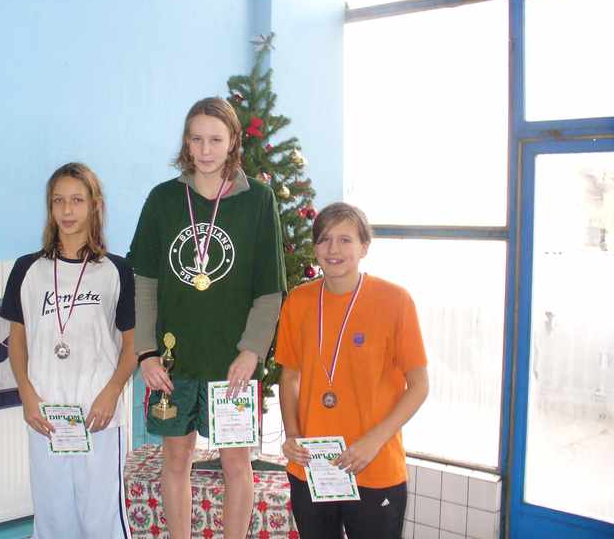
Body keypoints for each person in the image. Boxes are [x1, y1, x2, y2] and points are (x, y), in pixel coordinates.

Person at [128, 97, 286, 539]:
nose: (205, 149)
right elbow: (145, 283)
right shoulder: (163, 199)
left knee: (236, 463)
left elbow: (269, 291)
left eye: (215, 139)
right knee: (175, 460)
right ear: (186, 142)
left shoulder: (258, 201)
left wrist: (251, 352)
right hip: (173, 363)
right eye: (196, 139)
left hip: (231, 364)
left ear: (233, 140)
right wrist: (147, 353)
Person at [275, 202, 429, 539]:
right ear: (314, 247)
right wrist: (292, 433)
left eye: (345, 240)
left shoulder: (395, 301)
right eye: (324, 239)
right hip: (312, 467)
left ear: (364, 247)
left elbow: (419, 385)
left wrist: (374, 441)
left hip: (374, 466)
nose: (333, 249)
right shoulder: (298, 302)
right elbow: (289, 377)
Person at [0, 162, 136, 538]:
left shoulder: (117, 270)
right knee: (53, 519)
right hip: (45, 415)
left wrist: (111, 393)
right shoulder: (27, 269)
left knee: (101, 521)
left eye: (77, 200)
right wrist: (27, 395)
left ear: (95, 205)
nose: (67, 210)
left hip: (99, 415)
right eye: (58, 200)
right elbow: (17, 341)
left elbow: (132, 347)